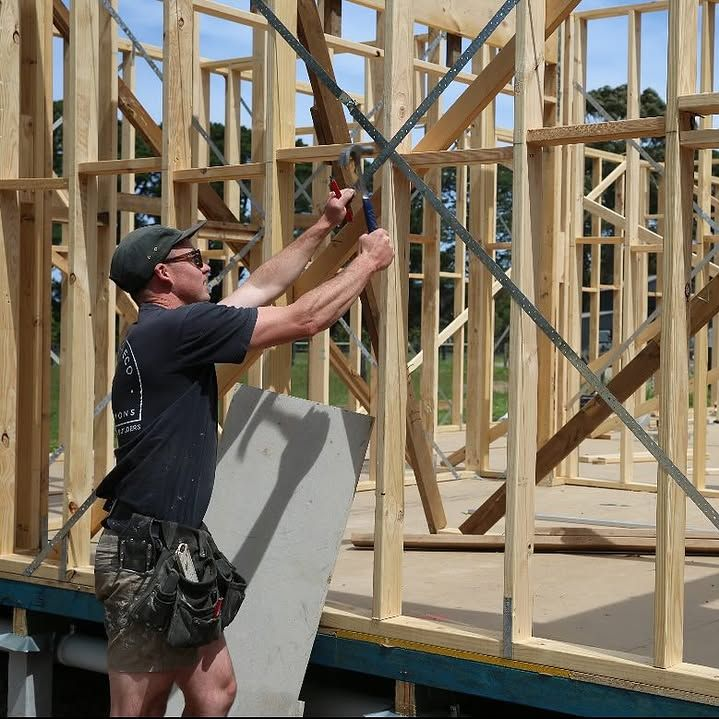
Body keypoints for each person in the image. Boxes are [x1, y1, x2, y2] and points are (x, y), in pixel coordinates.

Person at [94, 187, 393, 717]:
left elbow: (261, 285)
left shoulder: (173, 329)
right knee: (139, 708)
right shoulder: (178, 329)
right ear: (163, 275)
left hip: (175, 544)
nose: (206, 265)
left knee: (214, 694)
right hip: (142, 552)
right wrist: (367, 262)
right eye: (194, 258)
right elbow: (304, 319)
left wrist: (324, 226)